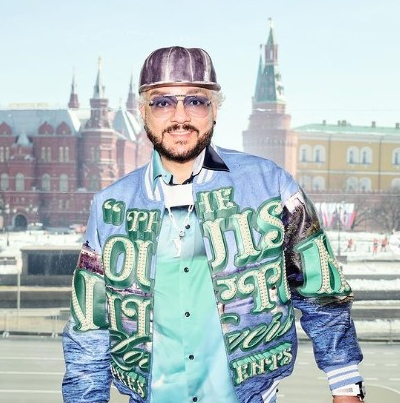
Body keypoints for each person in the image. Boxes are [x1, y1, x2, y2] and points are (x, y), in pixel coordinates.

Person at [62, 46, 365, 403]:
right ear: (143, 112)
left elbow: (321, 290)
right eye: (162, 102)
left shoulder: (270, 185)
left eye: (196, 101)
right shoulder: (111, 206)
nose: (180, 116)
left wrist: (347, 386)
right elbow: (89, 326)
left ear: (215, 110)